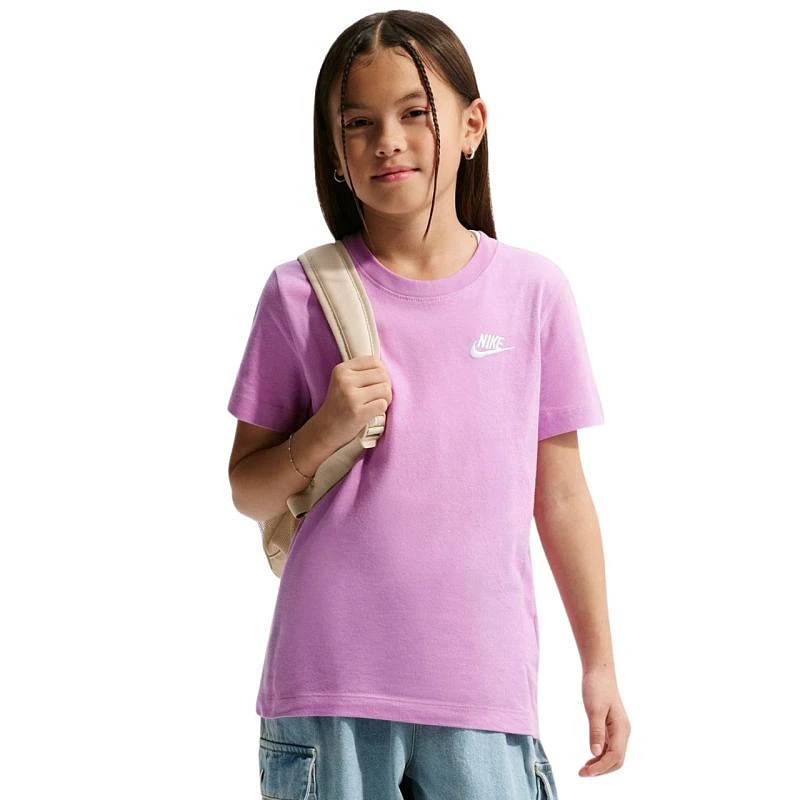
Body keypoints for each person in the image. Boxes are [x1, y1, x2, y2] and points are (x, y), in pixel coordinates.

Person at [227, 9, 630, 799]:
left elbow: (561, 495)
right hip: (328, 686)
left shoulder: (534, 291)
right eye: (359, 122)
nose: (388, 140)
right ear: (334, 150)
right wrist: (326, 429)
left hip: (484, 691)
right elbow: (248, 490)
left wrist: (600, 664)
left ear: (472, 125)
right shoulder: (298, 293)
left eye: (415, 113)